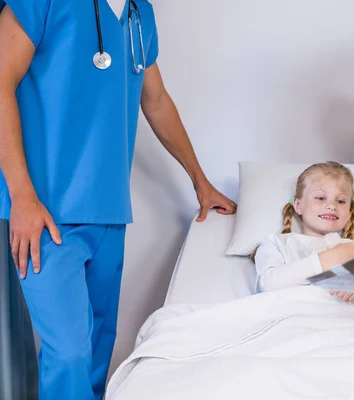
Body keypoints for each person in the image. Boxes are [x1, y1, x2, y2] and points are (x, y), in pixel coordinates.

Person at [0, 2, 236, 399]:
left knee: (95, 354)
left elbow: (156, 100)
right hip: (45, 212)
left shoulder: (138, 13)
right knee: (69, 354)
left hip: (108, 211)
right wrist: (22, 196)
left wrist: (200, 181)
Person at [252, 161, 354, 308]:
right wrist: (330, 258)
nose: (332, 205)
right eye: (320, 198)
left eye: (341, 201)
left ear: (349, 211)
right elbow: (269, 285)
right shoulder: (278, 243)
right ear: (298, 205)